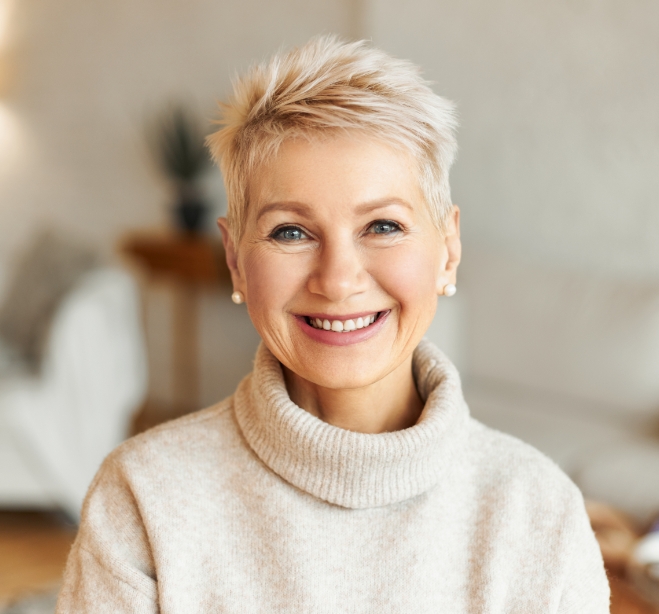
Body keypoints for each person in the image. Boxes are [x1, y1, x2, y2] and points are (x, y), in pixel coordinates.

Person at [56, 36, 610, 613]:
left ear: (448, 249)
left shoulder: (538, 512)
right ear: (235, 259)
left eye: (383, 226)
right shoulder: (143, 498)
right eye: (290, 232)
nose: (338, 280)